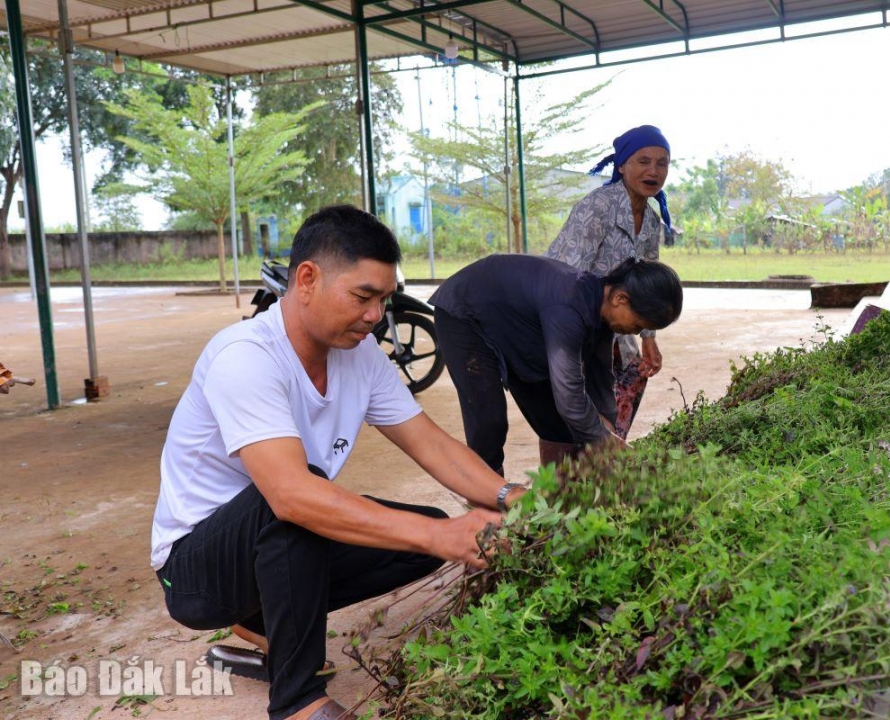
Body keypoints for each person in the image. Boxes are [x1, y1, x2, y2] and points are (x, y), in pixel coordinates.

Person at [150, 206, 525, 720]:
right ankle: (297, 701)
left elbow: (431, 444)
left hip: (274, 537)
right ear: (307, 279)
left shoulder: (361, 355)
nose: (376, 315)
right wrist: (439, 536)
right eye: (363, 296)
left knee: (422, 536)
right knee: (297, 500)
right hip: (195, 570)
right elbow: (289, 496)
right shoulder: (245, 356)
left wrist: (508, 498)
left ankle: (264, 620)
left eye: (384, 300)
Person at [430, 254, 682, 474]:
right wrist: (606, 442)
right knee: (489, 419)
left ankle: (564, 496)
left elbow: (600, 378)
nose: (637, 333)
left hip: (518, 327)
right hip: (466, 313)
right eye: (638, 325)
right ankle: (485, 502)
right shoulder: (569, 307)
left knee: (560, 426)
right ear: (620, 299)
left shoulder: (602, 312)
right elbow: (570, 396)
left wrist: (607, 426)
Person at [545, 124, 672, 439]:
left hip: (618, 330)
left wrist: (648, 337)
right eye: (643, 161)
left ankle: (602, 473)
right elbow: (563, 275)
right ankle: (565, 484)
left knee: (628, 386)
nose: (653, 170)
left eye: (662, 162)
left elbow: (647, 285)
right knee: (570, 419)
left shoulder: (652, 220)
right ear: (622, 165)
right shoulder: (598, 207)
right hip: (578, 327)